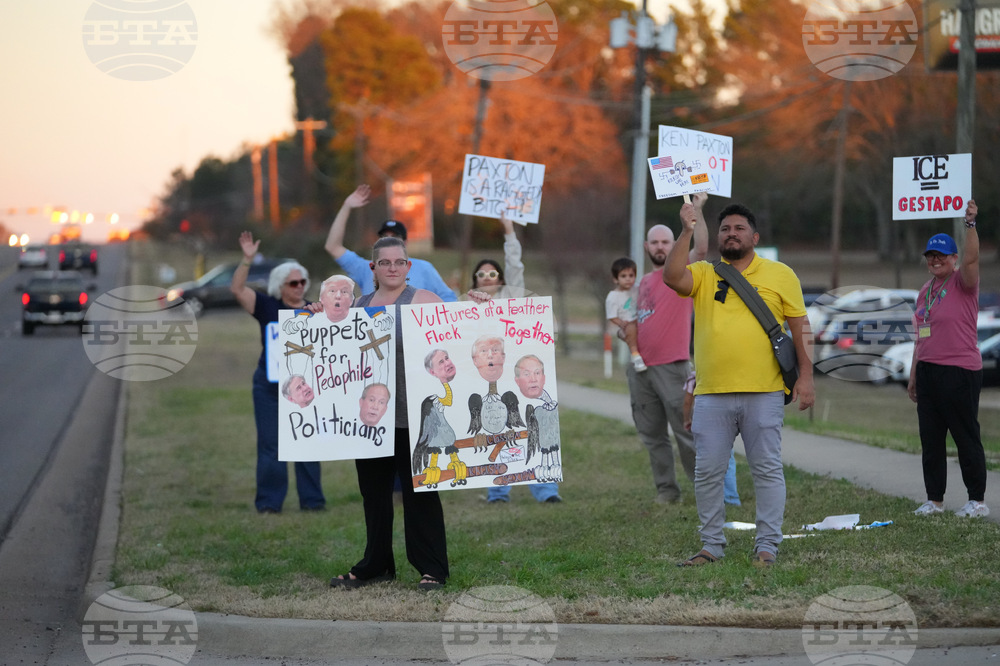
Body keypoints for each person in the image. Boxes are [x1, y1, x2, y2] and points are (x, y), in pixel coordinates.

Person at [664, 202, 815, 568]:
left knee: (766, 469)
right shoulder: (703, 272)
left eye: (739, 229)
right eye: (725, 229)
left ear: (755, 237)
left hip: (763, 391)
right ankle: (711, 546)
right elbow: (672, 277)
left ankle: (767, 547)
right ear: (718, 237)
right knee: (708, 472)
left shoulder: (780, 274)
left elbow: (801, 329)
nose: (731, 234)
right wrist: (686, 230)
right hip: (711, 393)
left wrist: (807, 377)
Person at [329, 236, 451, 591]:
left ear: (409, 266)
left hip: (415, 416)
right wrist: (312, 317)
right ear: (373, 268)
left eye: (400, 262)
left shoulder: (425, 301)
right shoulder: (357, 306)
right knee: (374, 494)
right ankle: (376, 564)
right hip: (372, 419)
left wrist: (481, 301)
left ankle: (432, 569)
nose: (393, 268)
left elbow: (464, 328)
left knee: (421, 493)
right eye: (385, 263)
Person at [231, 231, 325, 514]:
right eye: (293, 283)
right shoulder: (266, 306)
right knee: (271, 445)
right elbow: (237, 289)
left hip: (306, 387)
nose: (299, 287)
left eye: (303, 282)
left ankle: (312, 502)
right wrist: (247, 260)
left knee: (307, 442)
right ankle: (270, 503)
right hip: (269, 387)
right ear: (279, 285)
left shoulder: (314, 311)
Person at [469, 212, 561, 503]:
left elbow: (515, 265)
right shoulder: (464, 308)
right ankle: (497, 490)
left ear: (501, 278)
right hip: (490, 381)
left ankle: (545, 489)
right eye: (481, 274)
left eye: (492, 273)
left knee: (535, 425)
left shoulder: (513, 299)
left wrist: (508, 229)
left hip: (521, 374)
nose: (486, 278)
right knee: (493, 426)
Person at [908, 200, 989, 519]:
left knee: (965, 436)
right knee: (931, 439)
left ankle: (977, 500)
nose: (935, 259)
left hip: (959, 370)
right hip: (928, 371)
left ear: (954, 258)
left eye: (941, 255)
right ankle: (935, 500)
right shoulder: (925, 291)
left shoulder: (963, 283)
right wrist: (915, 372)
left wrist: (970, 225)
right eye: (931, 255)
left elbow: (973, 259)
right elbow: (921, 335)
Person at [629, 192, 708, 505]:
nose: (661, 246)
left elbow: (701, 248)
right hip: (640, 370)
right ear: (647, 247)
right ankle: (667, 490)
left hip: (673, 366)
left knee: (686, 433)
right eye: (655, 242)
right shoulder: (641, 283)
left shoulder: (679, 274)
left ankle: (705, 489)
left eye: (665, 241)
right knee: (652, 436)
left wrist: (696, 212)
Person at [324, 184, 456, 301]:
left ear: (405, 242)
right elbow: (333, 247)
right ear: (373, 267)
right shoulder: (364, 269)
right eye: (384, 237)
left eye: (395, 237)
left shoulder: (424, 269)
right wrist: (346, 207)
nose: (392, 269)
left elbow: (449, 300)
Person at [682, 370, 740, 506]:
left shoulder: (693, 378)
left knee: (707, 461)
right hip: (726, 417)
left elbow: (687, 402)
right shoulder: (724, 373)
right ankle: (732, 498)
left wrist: (686, 419)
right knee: (728, 460)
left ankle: (710, 500)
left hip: (704, 420)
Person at [606, 257, 647, 372]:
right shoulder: (613, 296)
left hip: (641, 319)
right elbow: (612, 316)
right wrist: (621, 324)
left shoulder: (637, 288)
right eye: (623, 276)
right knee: (631, 331)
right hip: (627, 324)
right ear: (616, 279)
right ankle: (635, 356)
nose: (628, 279)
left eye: (631, 275)